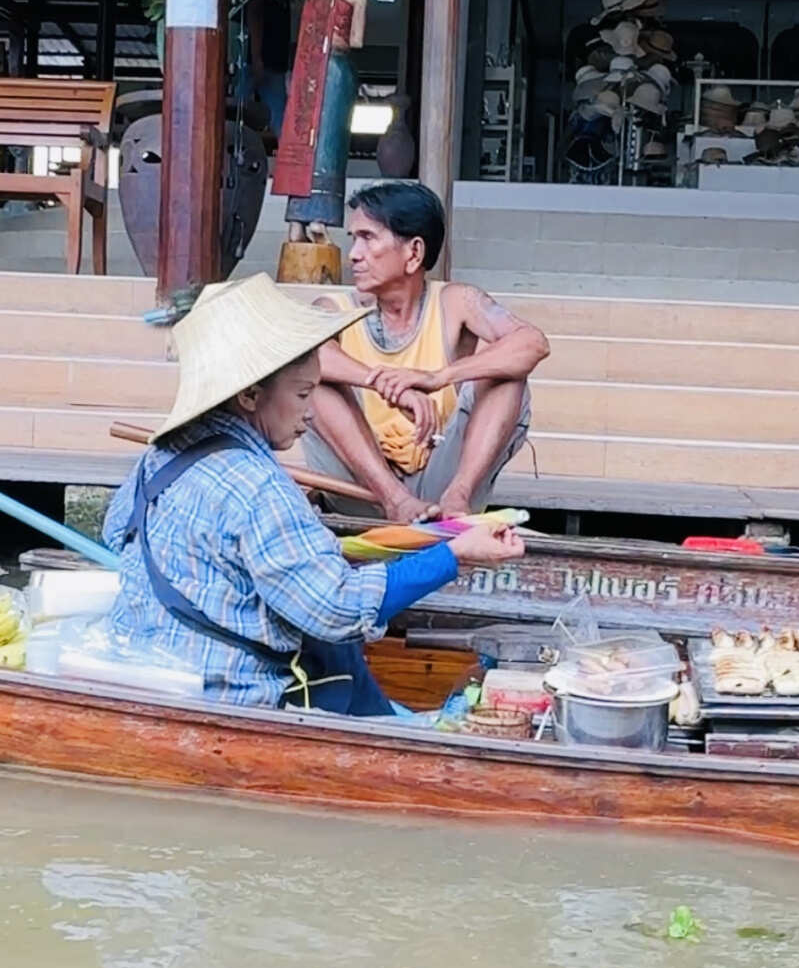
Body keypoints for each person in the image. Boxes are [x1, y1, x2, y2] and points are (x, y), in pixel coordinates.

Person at [102, 273, 524, 716]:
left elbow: (116, 534)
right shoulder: (258, 485)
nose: (310, 413)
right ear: (249, 394)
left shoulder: (159, 457)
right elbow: (336, 608)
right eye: (303, 393)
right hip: (231, 697)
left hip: (149, 672)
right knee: (334, 644)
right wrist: (455, 554)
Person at [302, 181, 550, 524]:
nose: (354, 254)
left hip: (441, 488)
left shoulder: (457, 301)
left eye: (368, 238)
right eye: (352, 239)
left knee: (508, 374)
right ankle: (397, 500)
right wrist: (388, 386)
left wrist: (438, 378)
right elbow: (304, 355)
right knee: (310, 377)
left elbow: (532, 343)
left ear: (414, 253)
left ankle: (459, 497)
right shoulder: (334, 308)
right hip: (366, 491)